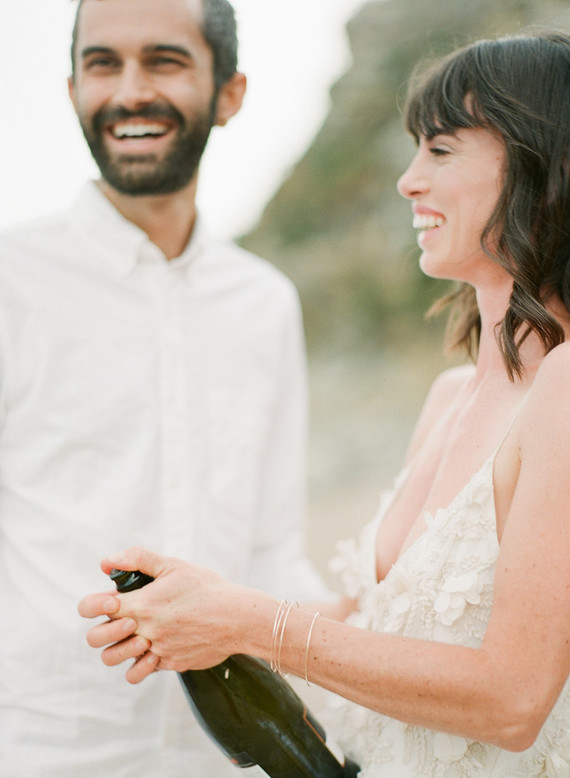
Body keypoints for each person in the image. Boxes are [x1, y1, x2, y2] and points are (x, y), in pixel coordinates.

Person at [79, 30, 570, 777]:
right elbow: (376, 627)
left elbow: (513, 697)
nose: (407, 181)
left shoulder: (564, 389)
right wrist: (208, 609)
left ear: (541, 163)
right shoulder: (447, 399)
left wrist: (257, 624)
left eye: (440, 150)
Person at [0, 0, 330, 776]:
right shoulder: (10, 282)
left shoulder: (265, 302)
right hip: (41, 751)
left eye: (166, 60)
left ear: (230, 93)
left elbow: (275, 549)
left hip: (233, 759)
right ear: (72, 87)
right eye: (103, 63)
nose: (129, 90)